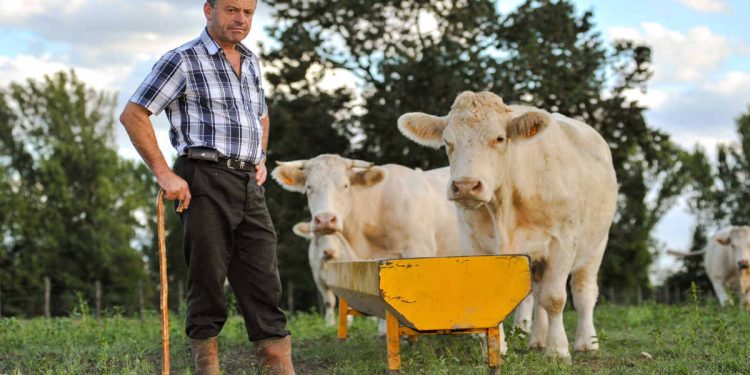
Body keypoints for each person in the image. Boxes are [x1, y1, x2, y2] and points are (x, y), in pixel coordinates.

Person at [119, 1, 295, 374]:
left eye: (248, 12)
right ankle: (206, 368)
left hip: (249, 183)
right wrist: (165, 174)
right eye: (232, 9)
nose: (241, 19)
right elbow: (134, 114)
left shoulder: (251, 61)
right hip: (204, 179)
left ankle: (279, 366)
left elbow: (261, 114)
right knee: (209, 279)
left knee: (265, 280)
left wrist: (260, 157)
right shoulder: (182, 59)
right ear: (208, 10)